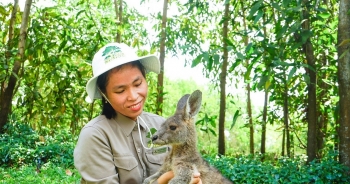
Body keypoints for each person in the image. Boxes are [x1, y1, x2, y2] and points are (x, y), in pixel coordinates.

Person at [74, 42, 202, 184]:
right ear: (104, 94)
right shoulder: (95, 135)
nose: (133, 96)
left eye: (137, 84)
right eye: (120, 91)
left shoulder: (160, 124)